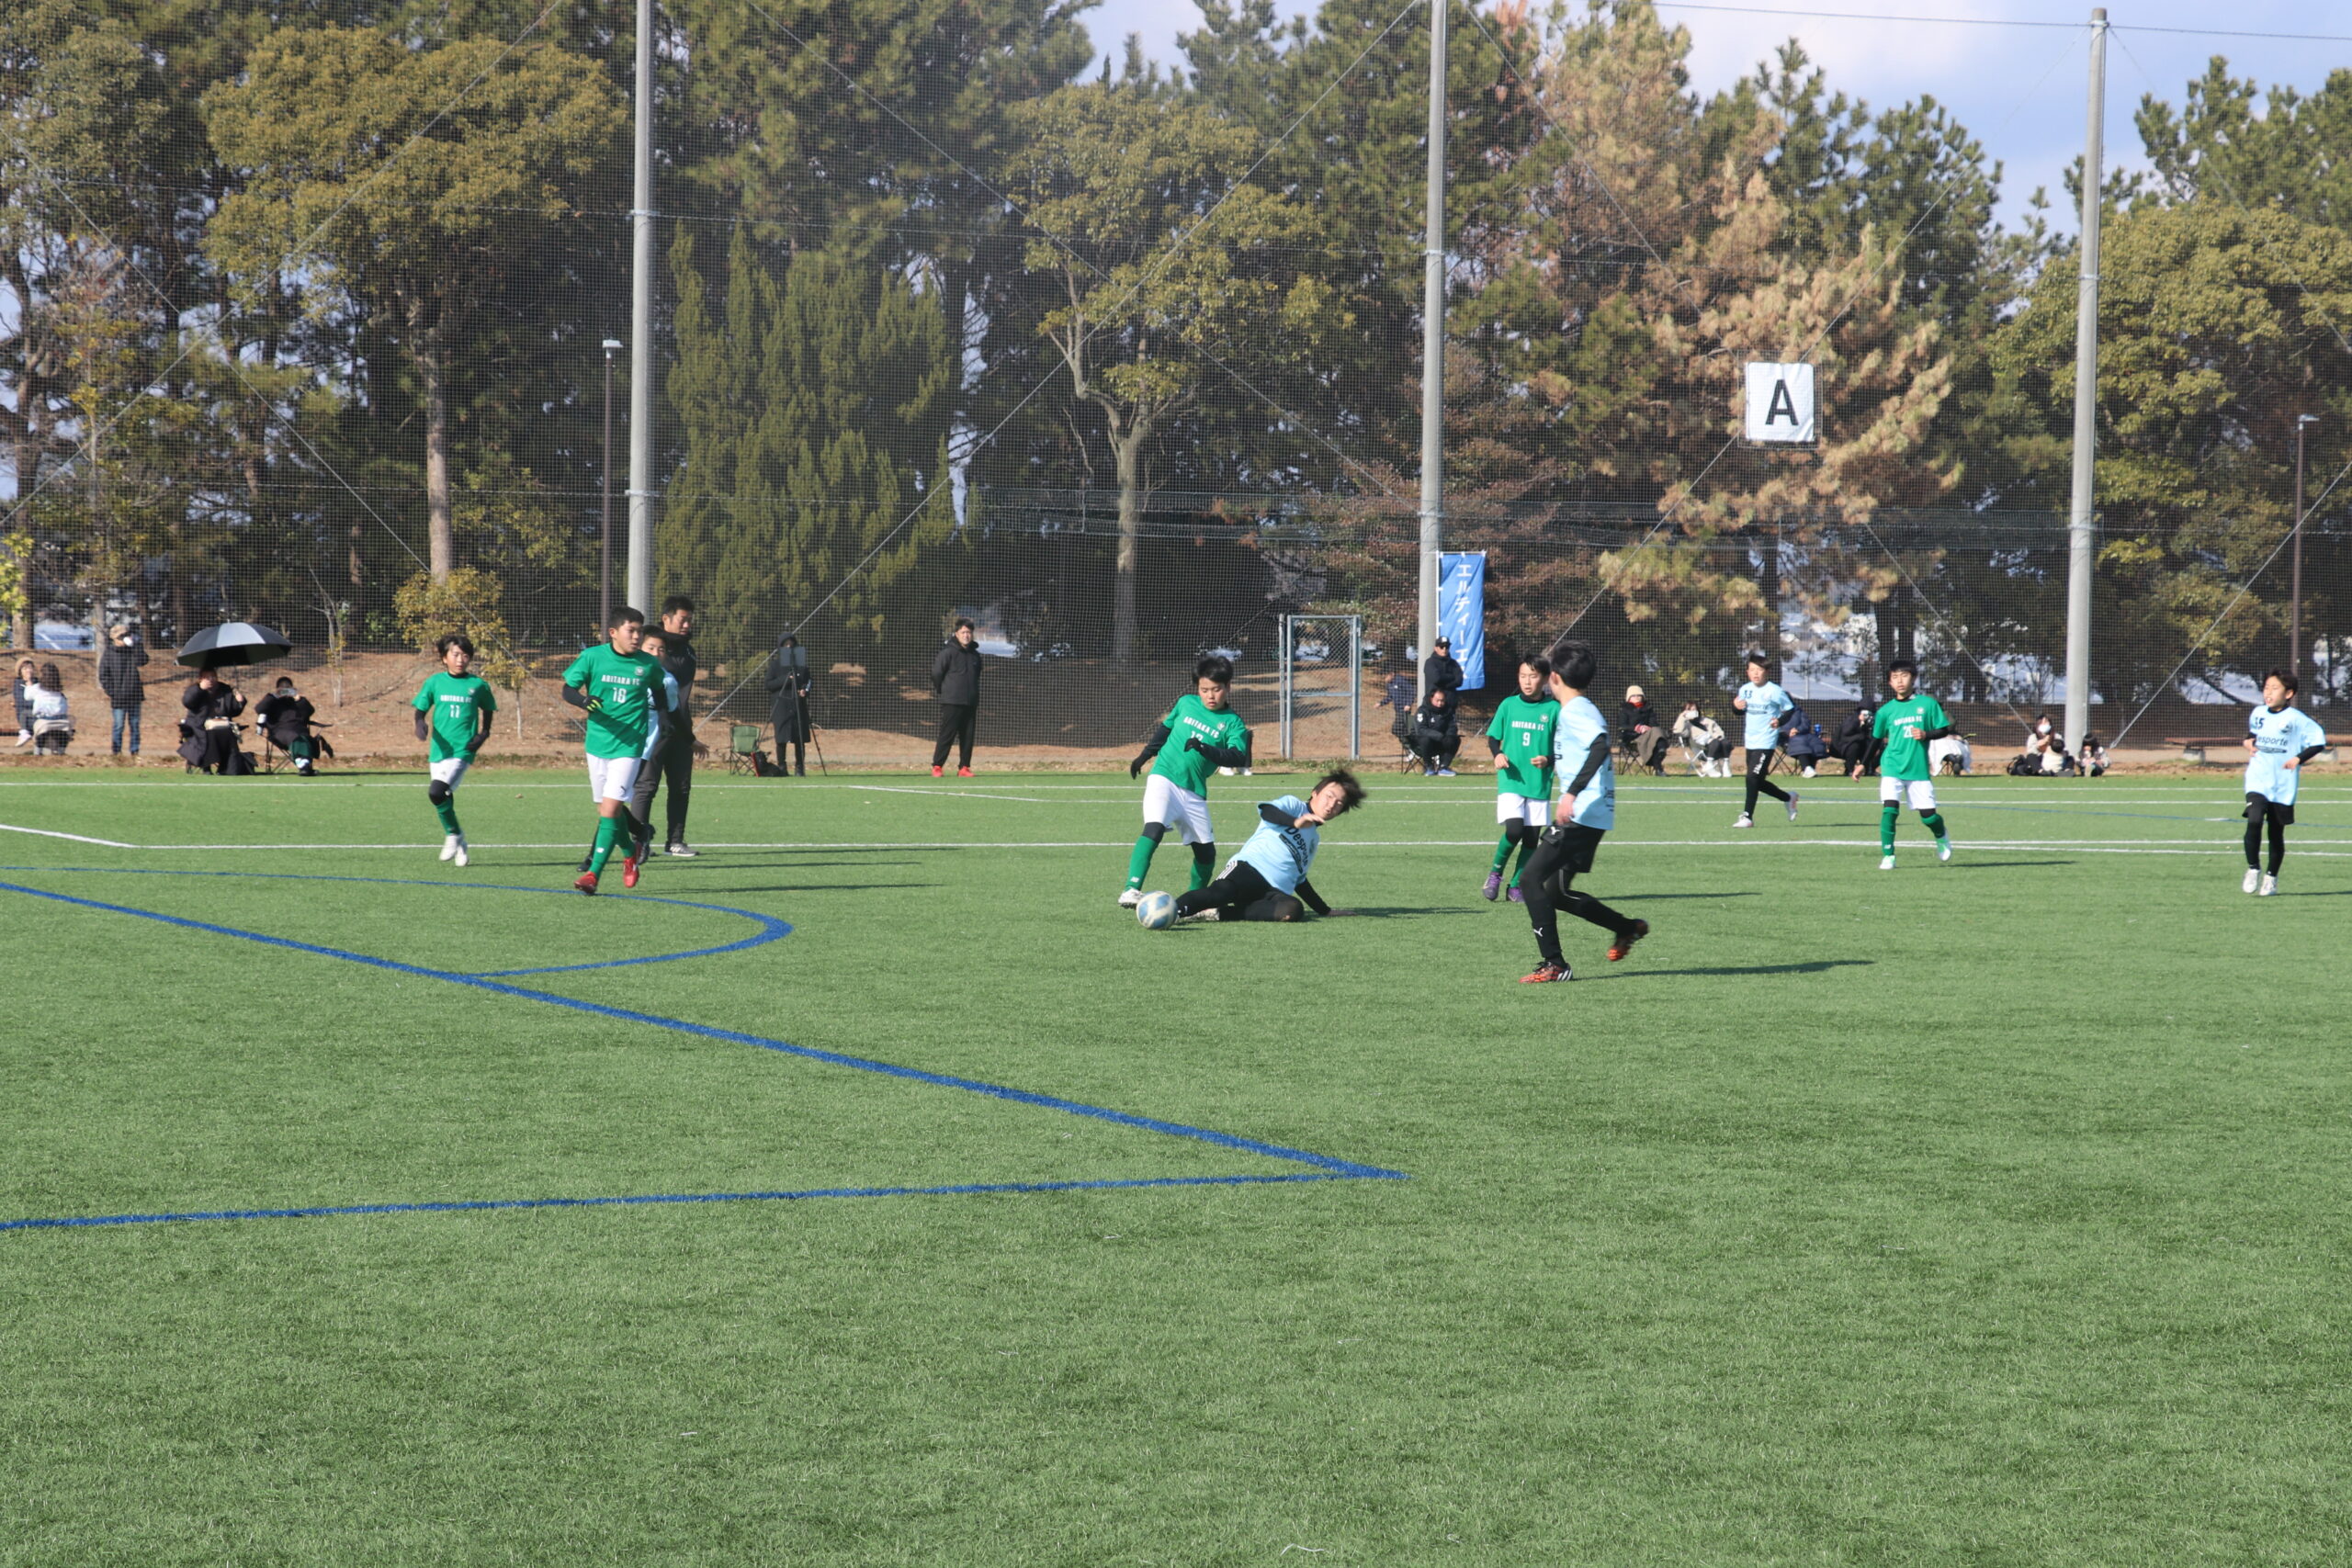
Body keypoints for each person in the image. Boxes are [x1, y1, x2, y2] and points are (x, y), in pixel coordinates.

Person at [1515, 637, 1646, 984]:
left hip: (1581, 814)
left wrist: (1571, 794)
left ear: (1554, 677)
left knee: (1529, 879)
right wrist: (1553, 761)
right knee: (1555, 892)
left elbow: (1600, 747)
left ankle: (1554, 964)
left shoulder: (1575, 711)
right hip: (1592, 814)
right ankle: (1626, 927)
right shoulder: (1580, 708)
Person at [1120, 655, 1253, 908]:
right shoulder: (1185, 703)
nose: (1210, 696)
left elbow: (1237, 756)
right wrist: (1144, 756)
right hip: (1164, 777)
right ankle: (1131, 889)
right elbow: (1165, 730)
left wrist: (1204, 748)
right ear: (1197, 688)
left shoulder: (1233, 722)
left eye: (1216, 689)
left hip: (1194, 791)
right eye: (1204, 690)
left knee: (1206, 854)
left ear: (1228, 687)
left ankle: (1194, 902)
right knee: (1154, 828)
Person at [560, 606, 672, 896]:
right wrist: (583, 701)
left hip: (630, 744)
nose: (636, 636)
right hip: (597, 744)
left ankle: (593, 875)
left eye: (639, 631)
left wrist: (665, 719)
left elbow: (659, 691)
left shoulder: (647, 664)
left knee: (610, 810)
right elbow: (568, 689)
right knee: (608, 811)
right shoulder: (592, 657)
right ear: (613, 632)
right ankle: (630, 852)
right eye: (630, 631)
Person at [1170, 771, 1363, 923]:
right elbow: (1267, 811)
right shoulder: (1294, 806)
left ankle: (1216, 913)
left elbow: (1300, 880)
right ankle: (1171, 911)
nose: (1331, 805)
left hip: (1273, 892)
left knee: (1292, 909)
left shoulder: (1314, 840)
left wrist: (1325, 910)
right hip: (1247, 870)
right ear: (1315, 793)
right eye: (1329, 796)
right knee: (1219, 894)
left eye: (1339, 803)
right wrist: (1295, 822)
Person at [627, 604, 708, 860]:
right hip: (654, 730)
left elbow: (678, 698)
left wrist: (688, 736)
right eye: (683, 619)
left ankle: (675, 841)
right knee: (646, 785)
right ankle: (638, 842)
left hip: (680, 727)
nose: (687, 625)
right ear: (666, 618)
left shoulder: (688, 651)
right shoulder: (647, 653)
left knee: (681, 786)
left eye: (690, 619)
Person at [2241, 667, 2327, 897]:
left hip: (2282, 785)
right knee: (2254, 821)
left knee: (2275, 833)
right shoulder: (2258, 713)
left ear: (2288, 693)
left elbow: (2318, 741)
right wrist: (2248, 742)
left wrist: (2298, 758)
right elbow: (2252, 735)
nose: (2268, 693)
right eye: (2266, 688)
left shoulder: (2296, 719)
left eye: (2274, 688)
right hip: (2257, 779)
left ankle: (2271, 877)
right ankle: (2253, 868)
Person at [413, 635, 496, 866]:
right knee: (443, 796)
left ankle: (452, 834)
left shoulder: (478, 685)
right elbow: (421, 708)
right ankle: (460, 840)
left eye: (465, 656)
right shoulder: (434, 682)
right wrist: (419, 723)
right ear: (444, 658)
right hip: (439, 749)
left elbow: (488, 710)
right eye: (455, 654)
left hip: (463, 749)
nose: (460, 660)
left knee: (436, 792)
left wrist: (483, 734)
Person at [1483, 656, 1558, 902]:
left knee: (1531, 837)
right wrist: (1498, 754)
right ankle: (1495, 873)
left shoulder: (1554, 709)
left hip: (1538, 782)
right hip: (1511, 779)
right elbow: (1493, 737)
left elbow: (1564, 745)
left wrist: (1548, 759)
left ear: (1544, 679)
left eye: (1533, 676)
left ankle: (1515, 886)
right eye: (1523, 676)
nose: (1527, 681)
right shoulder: (1508, 705)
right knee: (1514, 830)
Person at [1871, 658, 1955, 869]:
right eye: (1895, 677)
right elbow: (1876, 739)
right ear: (1889, 682)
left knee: (1928, 817)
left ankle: (1941, 835)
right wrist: (1863, 764)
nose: (1900, 681)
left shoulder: (1927, 704)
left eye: (1904, 676)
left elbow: (1944, 729)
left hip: (1917, 769)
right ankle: (1888, 855)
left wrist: (1926, 734)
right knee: (1890, 810)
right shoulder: (1885, 711)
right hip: (1892, 766)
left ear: (1913, 678)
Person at [1731, 652, 1798, 827]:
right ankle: (1788, 798)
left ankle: (1747, 817)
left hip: (1766, 741)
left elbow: (1790, 709)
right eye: (1752, 670)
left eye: (1759, 670)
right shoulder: (1745, 689)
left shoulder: (1774, 691)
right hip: (1750, 740)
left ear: (1766, 671)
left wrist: (1779, 721)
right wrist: (1735, 707)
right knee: (1757, 781)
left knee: (1751, 778)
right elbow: (1739, 711)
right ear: (1747, 672)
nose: (1755, 673)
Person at [931, 618, 982, 777]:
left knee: (968, 736)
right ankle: (937, 766)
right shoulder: (948, 652)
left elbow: (977, 675)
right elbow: (936, 673)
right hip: (952, 701)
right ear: (956, 634)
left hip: (970, 702)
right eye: (963, 632)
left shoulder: (975, 655)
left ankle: (964, 767)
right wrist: (944, 690)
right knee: (947, 734)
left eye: (969, 632)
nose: (966, 635)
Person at [177, 670, 245, 773]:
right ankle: (206, 767)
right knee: (209, 735)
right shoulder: (193, 689)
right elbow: (188, 702)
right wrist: (199, 689)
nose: (211, 680)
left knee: (227, 734)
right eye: (207, 677)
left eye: (213, 677)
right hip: (198, 725)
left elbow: (234, 711)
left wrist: (240, 702)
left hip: (221, 724)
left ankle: (225, 768)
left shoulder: (225, 689)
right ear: (201, 679)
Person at [763, 633, 812, 776]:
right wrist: (785, 679)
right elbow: (768, 684)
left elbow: (808, 681)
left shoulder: (801, 665)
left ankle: (800, 768)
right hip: (781, 706)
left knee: (799, 738)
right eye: (786, 645)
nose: (789, 647)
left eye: (791, 644)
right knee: (781, 738)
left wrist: (805, 690)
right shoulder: (775, 665)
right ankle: (782, 767)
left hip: (798, 705)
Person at [254, 676, 323, 774]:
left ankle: (303, 764)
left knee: (303, 738)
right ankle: (304, 764)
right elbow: (259, 709)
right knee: (296, 737)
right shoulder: (272, 700)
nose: (285, 691)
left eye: (288, 689)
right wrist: (274, 696)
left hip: (300, 730)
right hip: (279, 732)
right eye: (283, 689)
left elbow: (309, 711)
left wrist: (298, 698)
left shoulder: (297, 702)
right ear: (278, 689)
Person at [96, 625, 148, 755]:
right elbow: (103, 675)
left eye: (126, 635)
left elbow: (143, 661)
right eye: (121, 636)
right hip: (119, 697)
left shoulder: (133, 650)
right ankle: (116, 752)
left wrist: (136, 646)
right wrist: (113, 692)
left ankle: (134, 751)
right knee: (118, 726)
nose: (124, 638)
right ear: (114, 638)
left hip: (134, 694)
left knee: (135, 725)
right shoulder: (109, 653)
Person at [1408, 686, 1463, 775]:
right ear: (1431, 698)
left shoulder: (1448, 711)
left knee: (1455, 740)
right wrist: (1439, 736)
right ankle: (1429, 767)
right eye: (1437, 700)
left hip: (1441, 742)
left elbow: (1452, 726)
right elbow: (1421, 729)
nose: (1440, 703)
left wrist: (1449, 736)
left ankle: (1443, 767)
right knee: (1425, 739)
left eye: (1442, 701)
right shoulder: (1423, 711)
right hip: (1422, 744)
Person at [1616, 684, 1668, 774]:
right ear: (1629, 698)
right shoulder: (1624, 710)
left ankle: (1659, 760)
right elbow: (1622, 726)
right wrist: (1637, 728)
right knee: (1658, 735)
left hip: (1649, 736)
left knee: (1656, 731)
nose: (1636, 697)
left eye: (1639, 695)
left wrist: (1647, 728)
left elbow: (1654, 724)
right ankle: (1660, 756)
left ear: (1643, 697)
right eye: (1633, 695)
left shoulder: (1648, 709)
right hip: (1632, 738)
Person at [1672, 701, 1732, 777]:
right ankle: (1709, 765)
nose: (1692, 712)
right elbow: (1677, 731)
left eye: (1694, 710)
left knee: (1726, 742)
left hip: (1718, 748)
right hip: (1701, 749)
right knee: (1715, 742)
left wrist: (1718, 737)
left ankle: (1726, 766)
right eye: (1689, 710)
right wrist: (1682, 717)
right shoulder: (1686, 724)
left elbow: (1719, 732)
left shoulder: (1707, 721)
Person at [1778, 698, 1828, 778]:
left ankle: (1811, 769)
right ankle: (1806, 768)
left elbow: (1806, 724)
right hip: (1786, 739)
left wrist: (1798, 730)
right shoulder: (1773, 711)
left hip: (1803, 735)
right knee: (1800, 743)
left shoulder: (1798, 710)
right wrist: (1787, 732)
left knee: (1816, 742)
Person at [27, 662, 71, 753]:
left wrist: (29, 684)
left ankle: (35, 747)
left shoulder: (37, 688)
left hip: (44, 721)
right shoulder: (59, 692)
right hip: (62, 721)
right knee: (59, 732)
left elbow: (27, 697)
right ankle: (60, 751)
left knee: (24, 715)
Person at [1831, 703, 1880, 778]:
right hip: (1843, 747)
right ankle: (1849, 769)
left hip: (1860, 747)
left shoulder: (1869, 722)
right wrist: (1859, 722)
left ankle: (1869, 769)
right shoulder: (1851, 719)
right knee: (1854, 746)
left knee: (1871, 746)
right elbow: (1846, 733)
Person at [1421, 637, 1464, 704]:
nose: (1444, 649)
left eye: (1447, 647)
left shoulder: (1453, 663)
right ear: (1435, 648)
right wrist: (1451, 676)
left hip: (1450, 702)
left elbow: (1459, 681)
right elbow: (1436, 679)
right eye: (1441, 647)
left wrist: (1443, 683)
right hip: (1433, 704)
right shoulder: (1430, 662)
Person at [13, 659, 35, 747]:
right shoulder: (18, 683)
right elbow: (21, 701)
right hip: (26, 717)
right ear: (20, 671)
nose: (28, 671)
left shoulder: (38, 682)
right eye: (25, 669)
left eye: (30, 668)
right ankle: (24, 733)